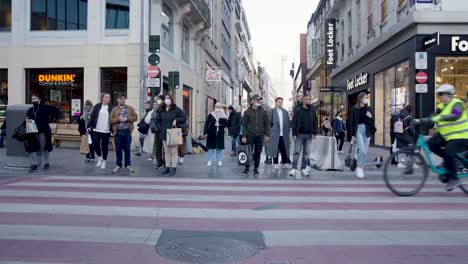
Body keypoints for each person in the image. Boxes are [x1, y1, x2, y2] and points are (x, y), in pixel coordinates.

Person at [419, 84, 468, 191]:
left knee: (450, 153)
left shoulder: (457, 104)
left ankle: (454, 178)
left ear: (449, 94)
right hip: (446, 136)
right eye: (438, 94)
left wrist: (439, 117)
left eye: (441, 94)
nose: (439, 96)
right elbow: (433, 117)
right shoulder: (441, 106)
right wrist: (420, 120)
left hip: (459, 135)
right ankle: (448, 162)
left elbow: (456, 115)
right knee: (430, 144)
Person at [26, 94, 60, 172]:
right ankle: (34, 164)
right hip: (32, 132)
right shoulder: (30, 110)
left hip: (43, 131)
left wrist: (51, 119)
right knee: (32, 148)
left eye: (35, 98)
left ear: (39, 99)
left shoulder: (45, 108)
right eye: (32, 99)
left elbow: (56, 111)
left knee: (44, 147)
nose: (33, 100)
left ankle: (46, 163)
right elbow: (28, 119)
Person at [156, 94, 187, 176]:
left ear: (171, 99)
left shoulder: (176, 109)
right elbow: (157, 121)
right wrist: (160, 128)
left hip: (173, 133)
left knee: (173, 151)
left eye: (168, 98)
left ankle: (173, 168)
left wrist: (176, 120)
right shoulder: (161, 109)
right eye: (166, 99)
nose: (167, 100)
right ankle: (167, 167)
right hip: (163, 133)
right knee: (166, 151)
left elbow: (184, 118)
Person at [241, 95, 270, 176]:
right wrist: (244, 136)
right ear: (252, 101)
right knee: (248, 152)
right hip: (250, 135)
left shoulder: (263, 112)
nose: (258, 102)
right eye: (257, 100)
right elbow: (244, 125)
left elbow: (267, 124)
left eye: (259, 100)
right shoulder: (247, 112)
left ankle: (256, 168)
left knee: (258, 152)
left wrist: (267, 135)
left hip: (260, 135)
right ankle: (246, 168)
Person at [349, 92, 376, 179]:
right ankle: (359, 167)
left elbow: (372, 121)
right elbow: (351, 122)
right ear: (360, 98)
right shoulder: (354, 109)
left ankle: (361, 167)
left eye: (367, 97)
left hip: (367, 130)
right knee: (362, 150)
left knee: (365, 152)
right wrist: (352, 135)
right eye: (365, 97)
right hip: (358, 130)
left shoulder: (368, 108)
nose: (366, 99)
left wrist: (370, 117)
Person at [109, 94, 138, 173]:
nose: (122, 100)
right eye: (120, 99)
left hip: (127, 132)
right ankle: (118, 165)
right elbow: (110, 120)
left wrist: (127, 118)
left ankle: (128, 165)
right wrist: (118, 119)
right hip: (118, 132)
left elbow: (135, 117)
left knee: (127, 149)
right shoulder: (114, 109)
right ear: (118, 100)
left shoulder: (130, 108)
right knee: (118, 150)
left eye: (124, 99)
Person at [290, 95, 317, 177]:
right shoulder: (298, 109)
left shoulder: (312, 109)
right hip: (299, 134)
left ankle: (303, 168)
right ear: (304, 101)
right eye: (308, 99)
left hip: (309, 135)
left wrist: (314, 133)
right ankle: (294, 168)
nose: (310, 101)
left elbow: (315, 122)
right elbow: (294, 122)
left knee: (306, 153)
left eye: (310, 99)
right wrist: (294, 133)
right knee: (296, 152)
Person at [88, 93, 113, 170]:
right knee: (95, 145)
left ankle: (104, 162)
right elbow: (92, 116)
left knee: (105, 146)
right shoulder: (97, 106)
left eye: (109, 97)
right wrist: (89, 126)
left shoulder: (111, 107)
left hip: (106, 130)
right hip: (96, 129)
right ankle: (99, 157)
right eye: (107, 97)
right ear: (102, 98)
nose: (108, 98)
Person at [268, 97, 292, 170]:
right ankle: (275, 163)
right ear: (275, 102)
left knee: (284, 148)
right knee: (275, 148)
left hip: (284, 133)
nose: (280, 103)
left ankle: (285, 163)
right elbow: (269, 122)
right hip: (275, 134)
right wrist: (271, 131)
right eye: (279, 101)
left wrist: (287, 131)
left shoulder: (285, 112)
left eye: (281, 102)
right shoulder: (272, 111)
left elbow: (288, 122)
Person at [151, 97, 165, 169]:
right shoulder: (154, 111)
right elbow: (152, 120)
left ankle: (166, 163)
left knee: (165, 148)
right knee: (158, 148)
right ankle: (160, 162)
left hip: (164, 131)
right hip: (157, 131)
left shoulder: (165, 109)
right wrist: (152, 128)